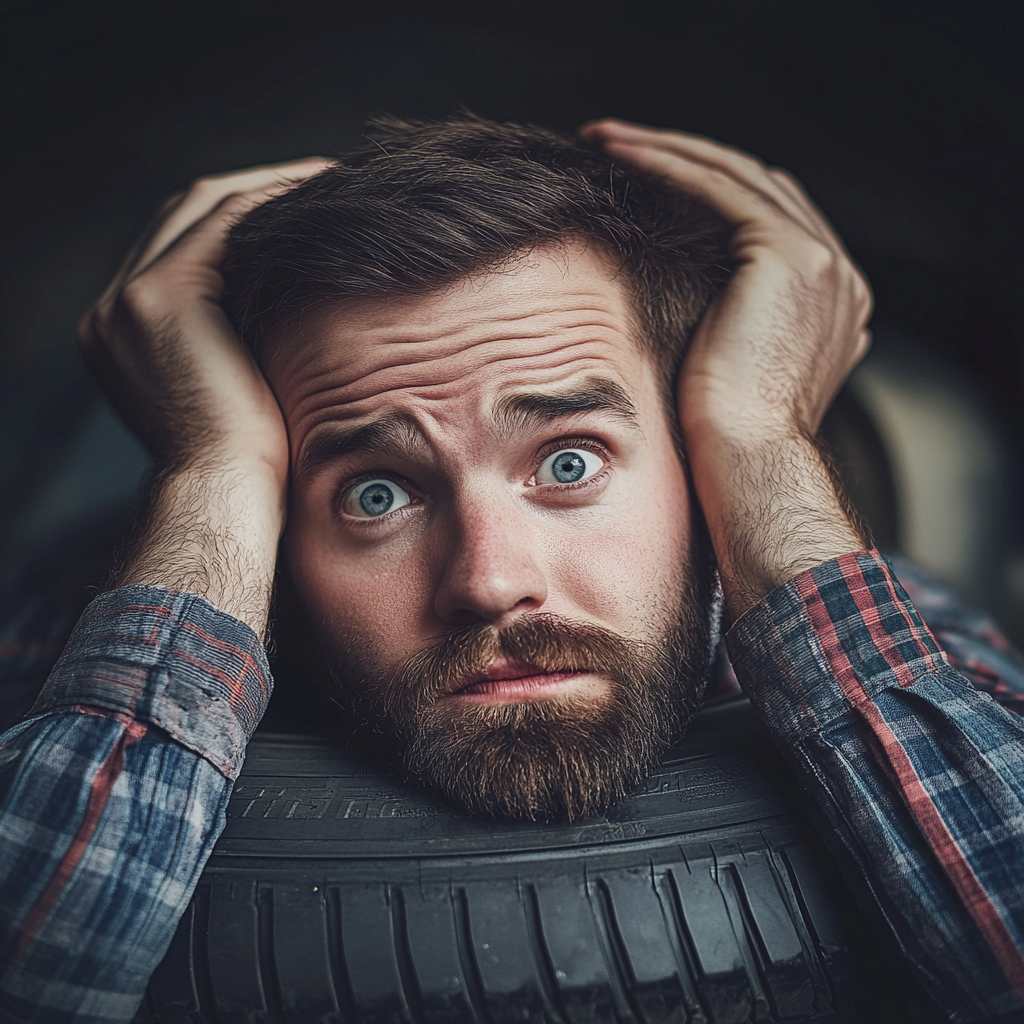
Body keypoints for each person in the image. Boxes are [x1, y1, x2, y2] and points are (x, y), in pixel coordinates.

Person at [1, 114, 1022, 1023]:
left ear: (691, 460)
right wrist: (210, 469)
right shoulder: (85, 615)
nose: (490, 583)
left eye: (568, 462)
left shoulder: (877, 610)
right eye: (375, 493)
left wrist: (759, 438)